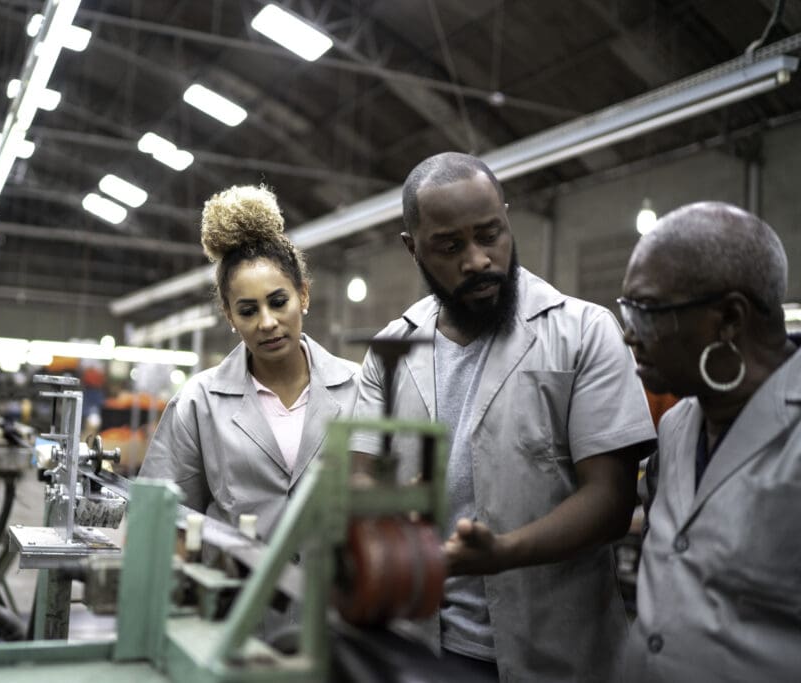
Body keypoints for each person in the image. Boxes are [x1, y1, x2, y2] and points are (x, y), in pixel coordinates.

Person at [351, 152, 656, 681]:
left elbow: (611, 499)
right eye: (449, 246)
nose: (477, 260)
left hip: (556, 653)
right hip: (420, 647)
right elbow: (357, 478)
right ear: (412, 248)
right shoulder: (389, 352)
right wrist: (381, 506)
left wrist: (505, 552)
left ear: (508, 219)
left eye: (490, 234)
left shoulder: (584, 333)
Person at [619, 202, 801, 681]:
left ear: (729, 319)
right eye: (628, 310)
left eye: (649, 312)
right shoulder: (677, 426)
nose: (629, 334)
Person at [139, 185, 360, 542]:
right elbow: (159, 515)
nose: (267, 322)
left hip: (332, 594)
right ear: (229, 314)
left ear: (303, 294)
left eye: (277, 302)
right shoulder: (199, 403)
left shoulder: (360, 389)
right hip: (233, 593)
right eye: (248, 310)